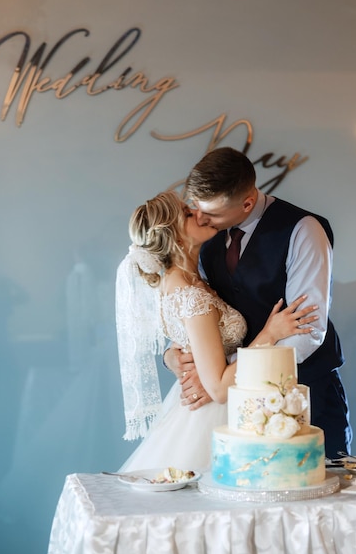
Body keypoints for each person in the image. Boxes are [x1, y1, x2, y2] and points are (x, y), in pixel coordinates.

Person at [164, 147, 352, 459]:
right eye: (196, 207)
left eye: (210, 213)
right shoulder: (203, 238)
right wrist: (176, 356)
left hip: (300, 397)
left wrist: (223, 375)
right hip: (231, 405)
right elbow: (194, 308)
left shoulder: (303, 230)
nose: (198, 218)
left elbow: (306, 332)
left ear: (247, 203)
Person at [116, 190, 319, 472]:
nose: (198, 213)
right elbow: (220, 388)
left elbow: (187, 344)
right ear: (174, 236)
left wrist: (173, 357)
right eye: (187, 214)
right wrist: (269, 334)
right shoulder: (191, 294)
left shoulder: (183, 278)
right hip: (212, 414)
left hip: (205, 403)